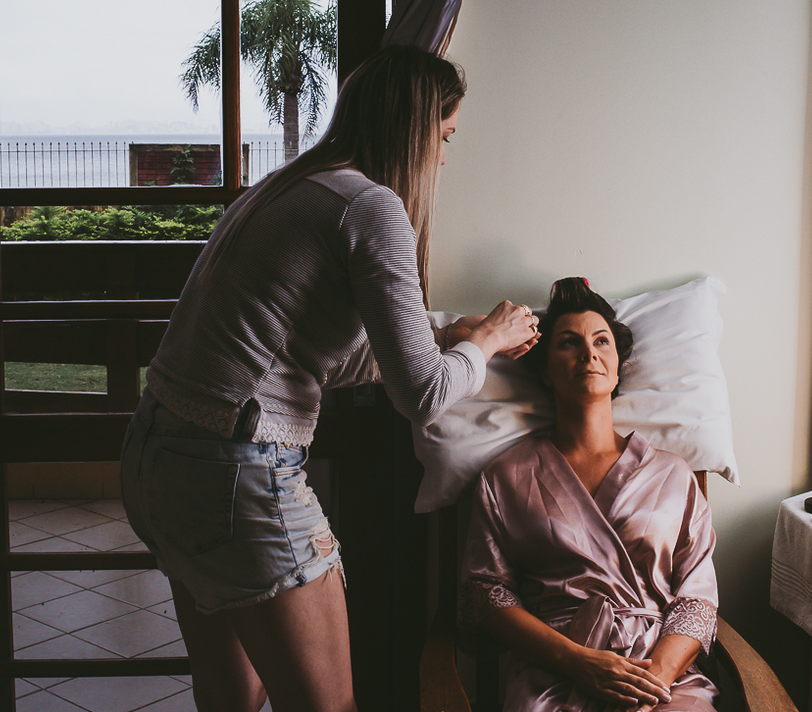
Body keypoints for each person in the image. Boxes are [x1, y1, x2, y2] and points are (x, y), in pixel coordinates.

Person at [120, 45, 539, 712]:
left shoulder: (286, 187)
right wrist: (485, 341)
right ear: (415, 130)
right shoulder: (371, 207)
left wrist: (440, 338)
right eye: (446, 135)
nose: (444, 157)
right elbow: (422, 397)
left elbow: (315, 357)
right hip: (239, 476)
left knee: (231, 701)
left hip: (157, 461)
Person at [460, 278, 718, 712]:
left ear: (618, 366)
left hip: (660, 672)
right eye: (568, 343)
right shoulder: (507, 476)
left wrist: (654, 680)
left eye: (601, 341)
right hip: (553, 668)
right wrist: (578, 662)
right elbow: (487, 593)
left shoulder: (672, 474)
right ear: (545, 370)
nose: (589, 353)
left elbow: (697, 597)